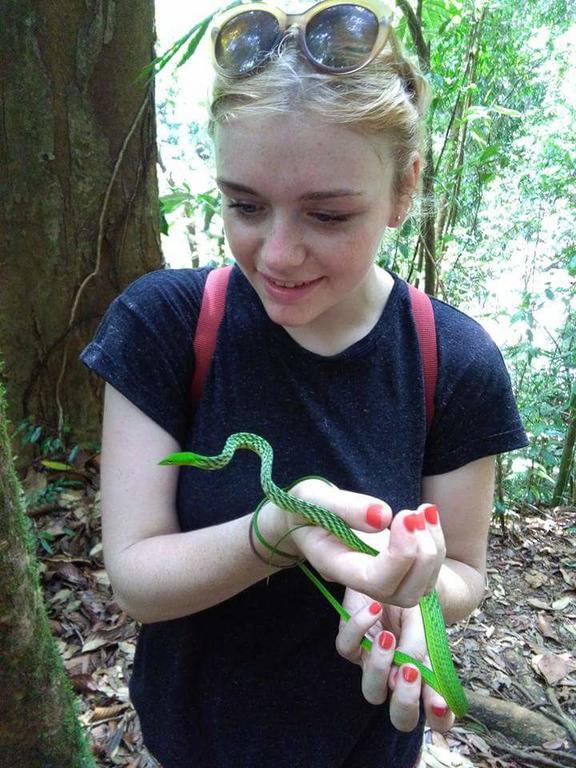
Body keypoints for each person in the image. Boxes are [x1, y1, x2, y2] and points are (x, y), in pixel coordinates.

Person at [81, 2, 528, 766]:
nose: (280, 255)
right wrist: (279, 528)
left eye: (327, 214)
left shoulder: (456, 362)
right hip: (192, 741)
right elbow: (136, 579)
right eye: (245, 205)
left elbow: (463, 576)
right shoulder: (162, 324)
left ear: (402, 189)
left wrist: (408, 590)